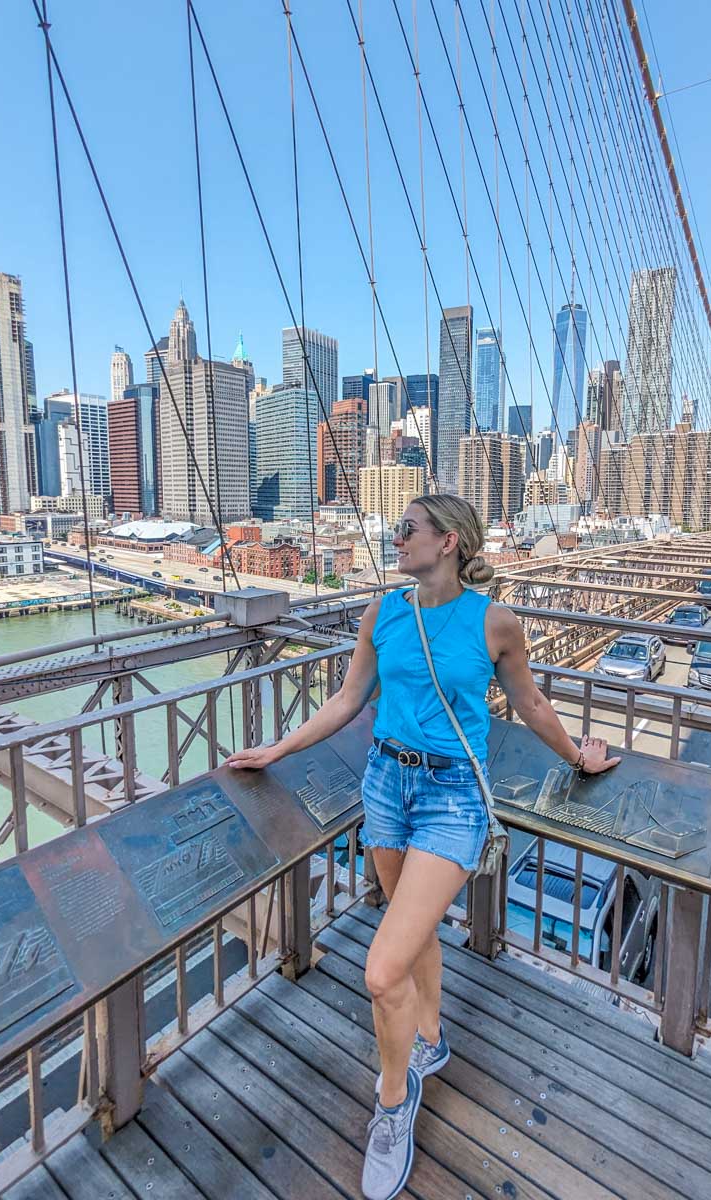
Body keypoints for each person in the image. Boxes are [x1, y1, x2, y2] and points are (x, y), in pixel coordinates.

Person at [226, 494, 619, 1200]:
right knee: (413, 934)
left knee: (381, 971)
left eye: (407, 527)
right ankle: (430, 1038)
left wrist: (579, 757)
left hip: (452, 800)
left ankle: (393, 1098)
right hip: (385, 786)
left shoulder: (494, 622)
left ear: (449, 543)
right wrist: (278, 749)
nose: (395, 536)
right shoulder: (384, 612)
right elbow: (348, 699)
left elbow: (529, 704)